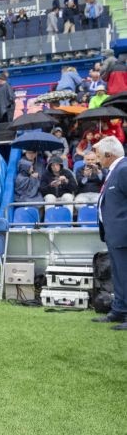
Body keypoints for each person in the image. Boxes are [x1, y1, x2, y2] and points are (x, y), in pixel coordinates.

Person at [93, 136, 127, 330]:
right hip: (115, 234)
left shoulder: (123, 169)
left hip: (123, 233)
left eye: (98, 155)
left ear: (108, 154)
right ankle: (119, 310)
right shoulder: (116, 170)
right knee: (119, 276)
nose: (97, 159)